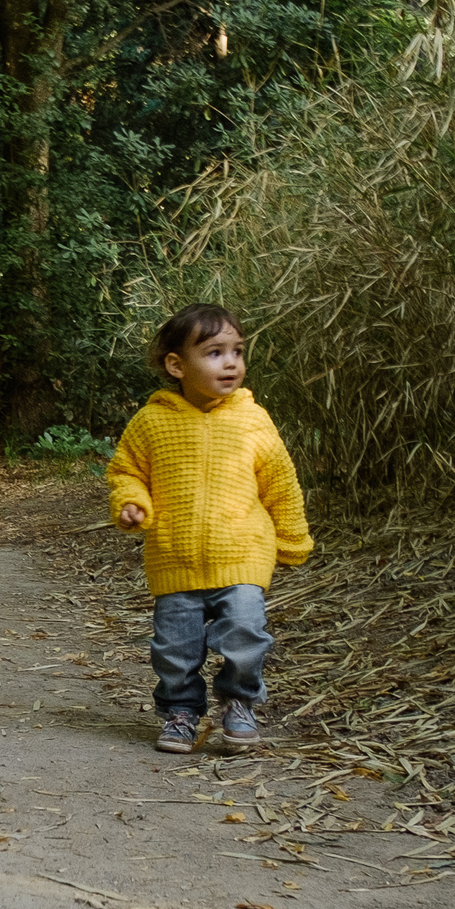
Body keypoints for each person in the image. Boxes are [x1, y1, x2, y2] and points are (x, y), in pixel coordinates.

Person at [105, 305, 314, 755]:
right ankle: (181, 711)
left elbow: (281, 482)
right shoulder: (152, 422)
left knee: (245, 632)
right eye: (215, 352)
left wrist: (292, 538)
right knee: (175, 649)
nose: (231, 362)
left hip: (243, 555)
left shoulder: (252, 419)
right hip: (174, 557)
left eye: (237, 351)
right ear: (177, 365)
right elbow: (126, 472)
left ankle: (240, 702)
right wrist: (131, 502)